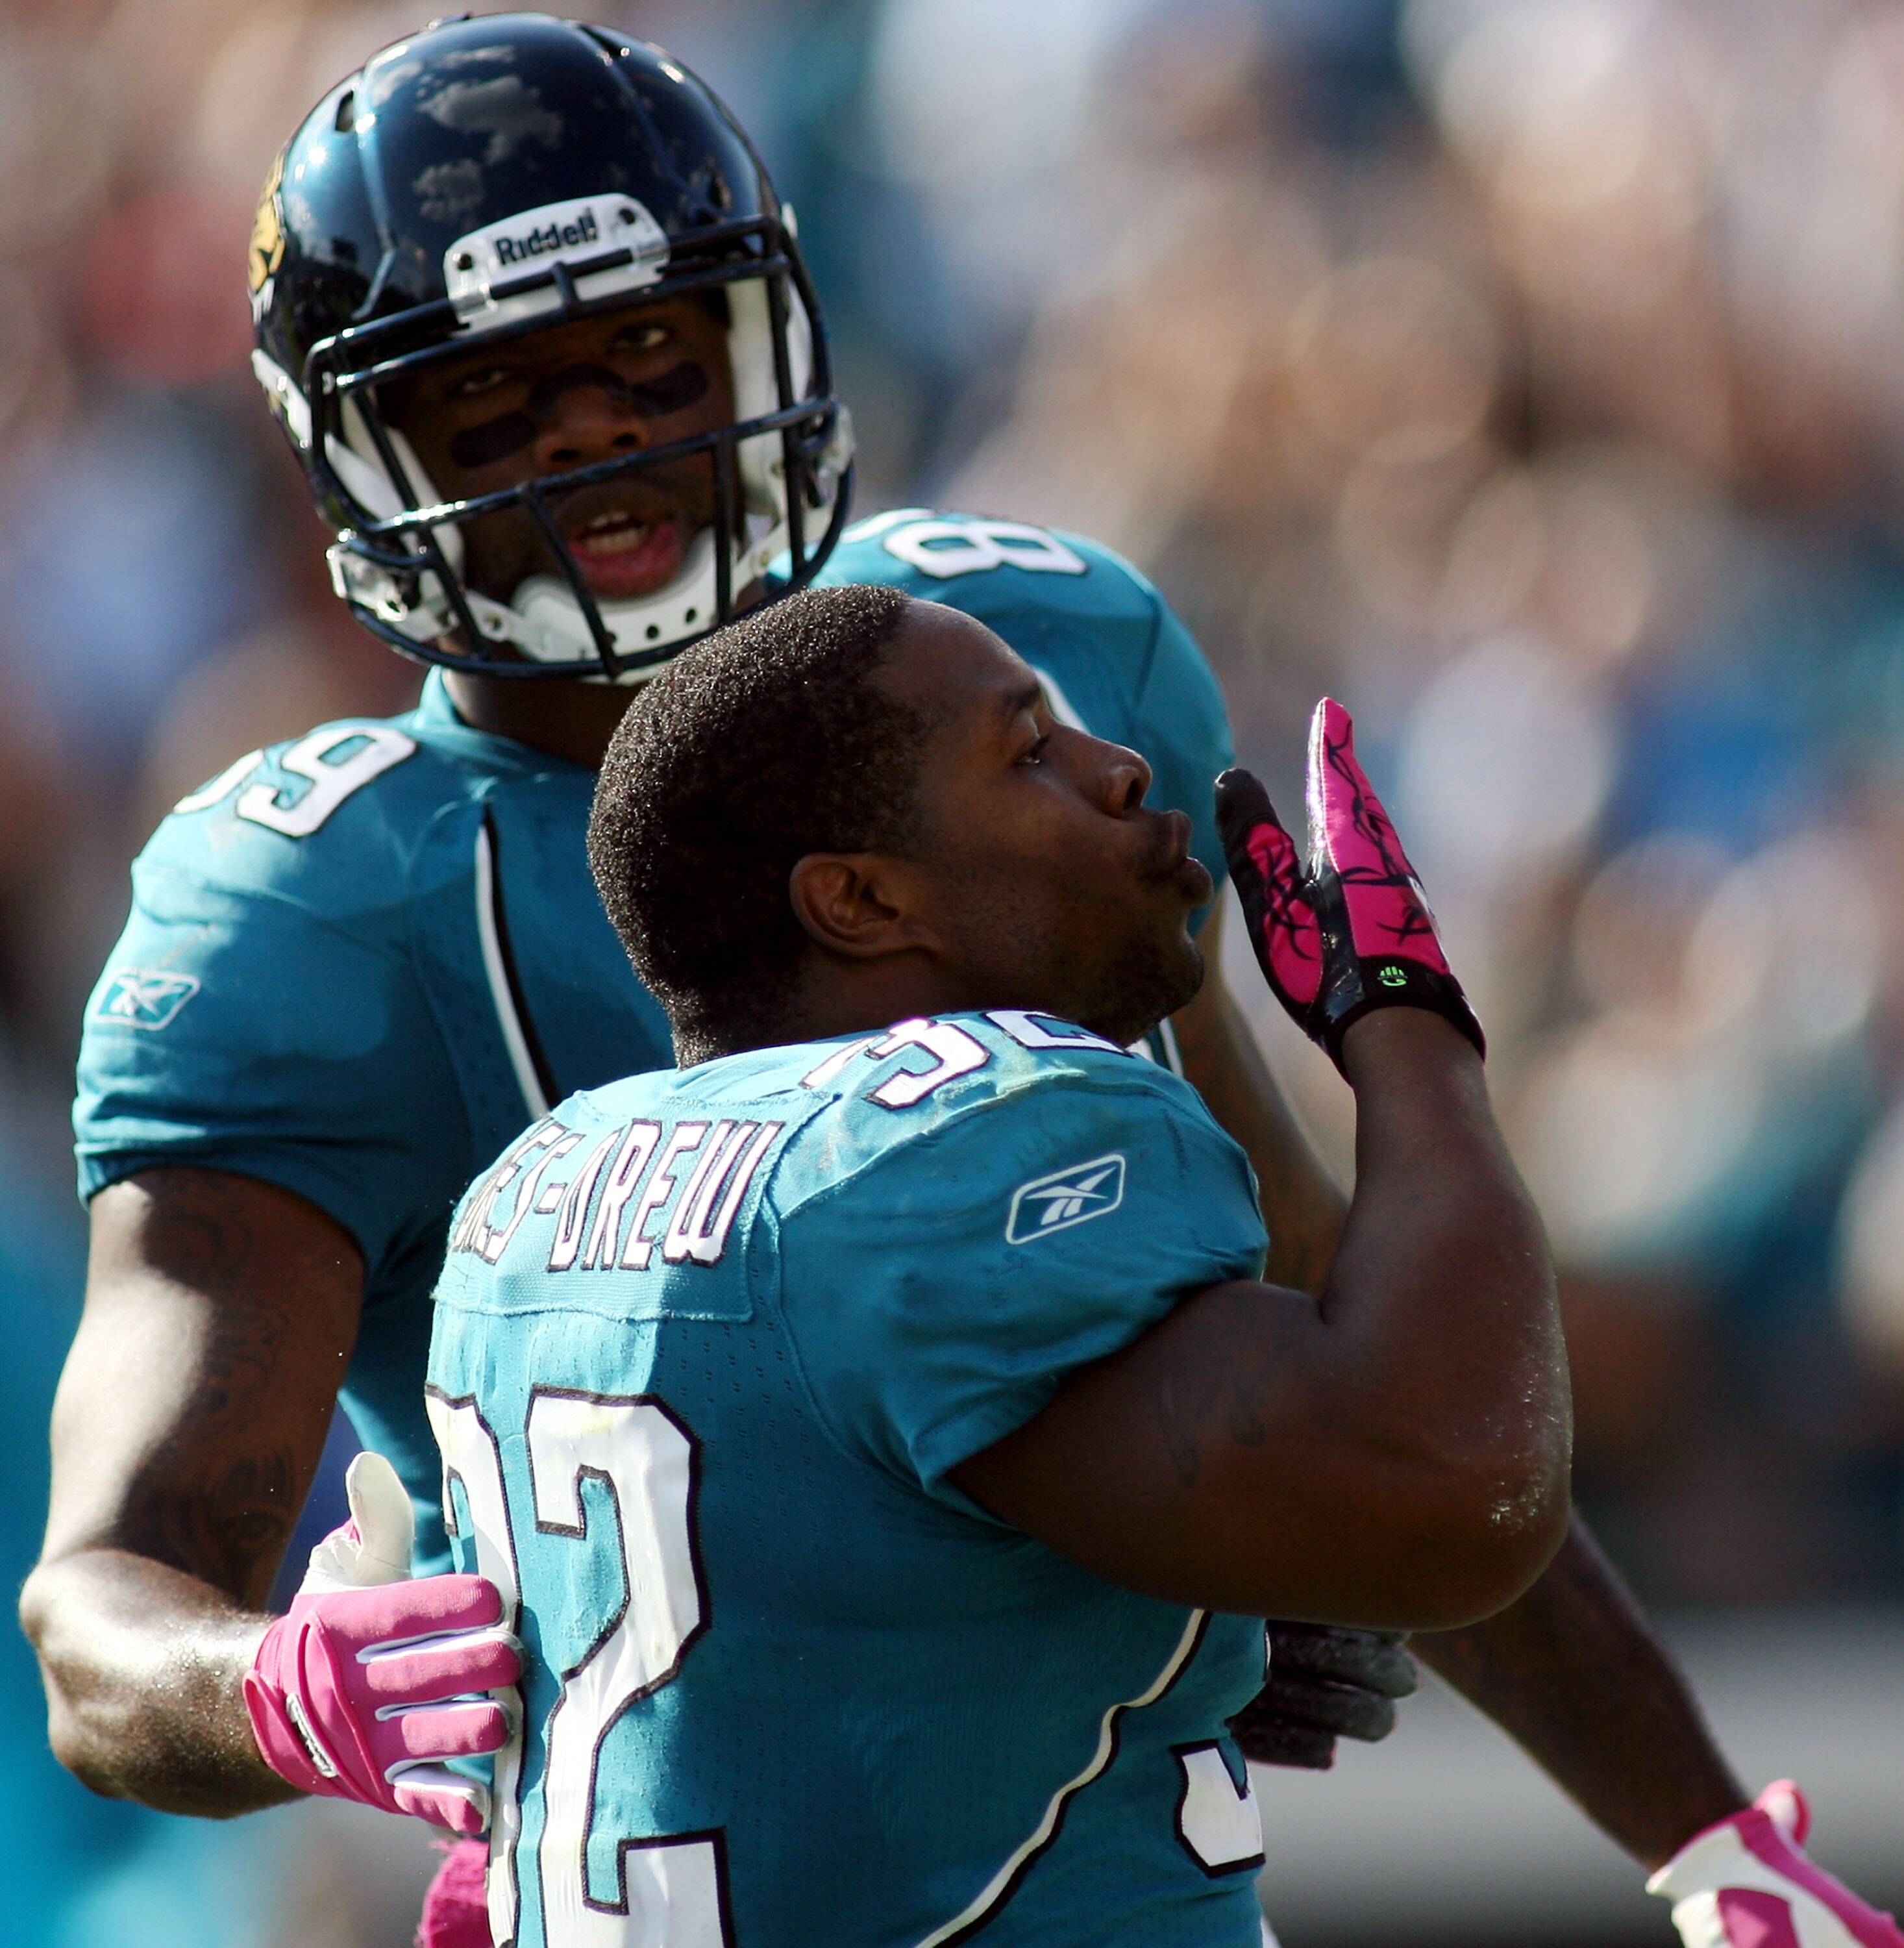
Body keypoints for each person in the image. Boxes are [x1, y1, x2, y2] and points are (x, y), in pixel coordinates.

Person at [16, 16, 1895, 1948]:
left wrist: (1676, 1822)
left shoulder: (1011, 665)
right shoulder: (313, 908)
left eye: (647, 356)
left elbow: (1318, 1321)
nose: (593, 441)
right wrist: (288, 1689)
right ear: (353, 458)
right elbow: (109, 1608)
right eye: (494, 410)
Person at [428, 579, 1570, 1947]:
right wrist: (1409, 1028)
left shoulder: (533, 1189)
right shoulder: (966, 1122)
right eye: (1029, 752)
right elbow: (1456, 1483)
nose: (1119, 765)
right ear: (858, 899)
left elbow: (799, 1612)